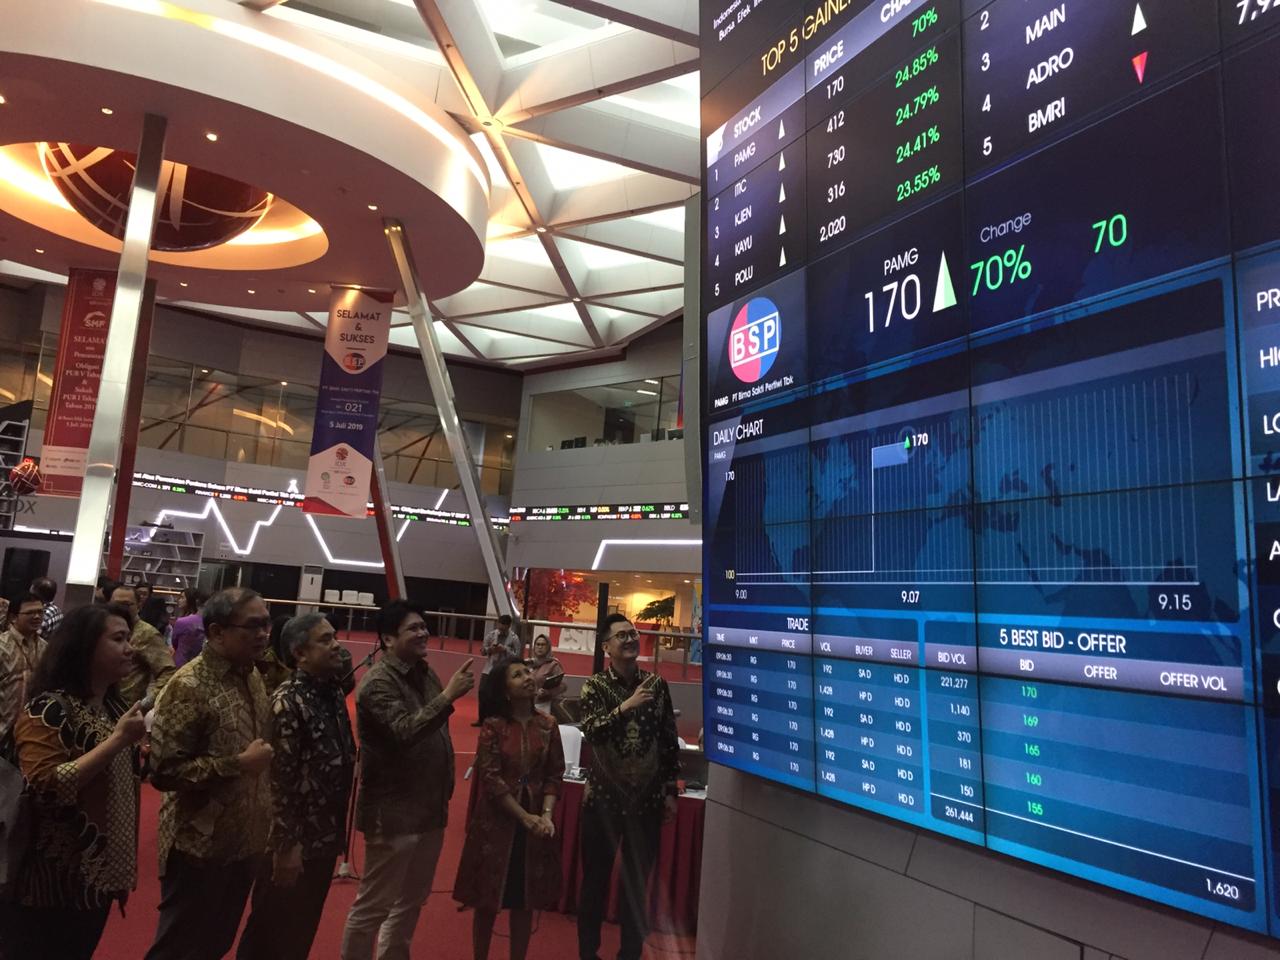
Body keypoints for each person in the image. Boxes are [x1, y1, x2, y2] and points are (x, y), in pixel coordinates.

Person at [3, 604, 148, 959]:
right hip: (47, 881)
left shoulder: (115, 709)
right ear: (85, 647)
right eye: (118, 639)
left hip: (96, 881)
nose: (130, 648)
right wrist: (117, 741)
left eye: (128, 638)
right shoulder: (49, 709)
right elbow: (45, 785)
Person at [143, 587, 275, 960]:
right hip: (197, 847)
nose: (263, 634)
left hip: (243, 843)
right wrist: (237, 764)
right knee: (178, 949)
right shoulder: (188, 686)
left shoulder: (251, 675)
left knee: (215, 945)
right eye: (252, 626)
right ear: (217, 632)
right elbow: (164, 771)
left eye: (266, 624)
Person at [341, 600, 477, 960]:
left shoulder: (425, 673)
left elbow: (436, 733)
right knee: (373, 907)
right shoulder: (377, 683)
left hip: (430, 809)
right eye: (413, 628)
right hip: (393, 813)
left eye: (423, 626)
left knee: (412, 901)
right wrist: (449, 696)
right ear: (388, 639)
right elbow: (404, 731)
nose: (423, 633)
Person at [238, 613, 355, 960]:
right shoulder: (287, 701)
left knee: (298, 937)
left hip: (323, 838)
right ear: (300, 653)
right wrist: (286, 846)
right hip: (293, 844)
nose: (337, 645)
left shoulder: (332, 693)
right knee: (269, 936)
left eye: (334, 636)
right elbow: (278, 781)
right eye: (325, 640)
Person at [576, 614, 680, 960]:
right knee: (595, 881)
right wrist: (625, 707)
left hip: (646, 803)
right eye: (621, 635)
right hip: (603, 801)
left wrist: (670, 791)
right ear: (606, 647)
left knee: (636, 886)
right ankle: (588, 953)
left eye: (633, 633)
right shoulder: (594, 687)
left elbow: (668, 740)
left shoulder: (656, 685)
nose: (631, 639)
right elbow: (592, 732)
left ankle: (630, 953)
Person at [454, 655, 564, 960]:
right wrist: (524, 816)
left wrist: (545, 816)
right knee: (486, 900)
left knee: (524, 899)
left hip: (535, 821)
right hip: (497, 821)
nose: (527, 677)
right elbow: (490, 778)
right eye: (517, 675)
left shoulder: (548, 724)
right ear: (505, 690)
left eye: (527, 672)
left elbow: (554, 775)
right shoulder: (494, 726)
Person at [110, 583, 176, 708]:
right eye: (116, 604)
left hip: (126, 706)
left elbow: (167, 672)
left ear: (139, 605)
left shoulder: (147, 633)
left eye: (126, 604)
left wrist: (145, 704)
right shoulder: (104, 628)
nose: (120, 609)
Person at [0, 593, 46, 746]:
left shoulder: (44, 647)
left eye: (40, 612)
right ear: (13, 617)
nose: (37, 616)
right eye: (30, 612)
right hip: (3, 730)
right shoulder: (2, 646)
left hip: (29, 733)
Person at [528, 633, 567, 718]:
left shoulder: (553, 664)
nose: (540, 647)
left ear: (548, 647)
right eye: (538, 644)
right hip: (527, 705)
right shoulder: (530, 663)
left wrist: (548, 692)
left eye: (543, 645)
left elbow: (563, 686)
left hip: (544, 705)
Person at [171, 589, 207, 668]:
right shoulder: (206, 621)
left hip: (181, 663)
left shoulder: (182, 622)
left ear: (190, 600)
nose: (179, 600)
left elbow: (174, 643)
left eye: (182, 597)